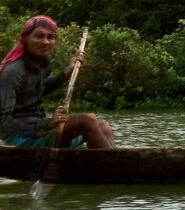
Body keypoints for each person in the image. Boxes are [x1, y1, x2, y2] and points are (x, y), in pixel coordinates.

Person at [0, 15, 116, 148]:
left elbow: (38, 90)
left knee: (103, 125)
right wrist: (48, 123)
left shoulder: (43, 65)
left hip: (39, 129)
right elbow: (5, 126)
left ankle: (117, 162)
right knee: (87, 120)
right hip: (20, 138)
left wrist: (68, 72)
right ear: (26, 38)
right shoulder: (13, 72)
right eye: (39, 36)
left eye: (51, 37)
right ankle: (116, 166)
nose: (45, 42)